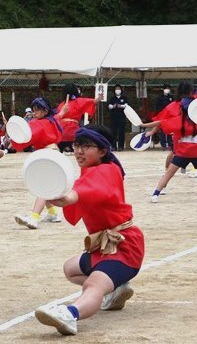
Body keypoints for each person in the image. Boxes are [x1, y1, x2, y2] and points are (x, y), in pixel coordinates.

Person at [34, 125, 144, 336]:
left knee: (94, 285)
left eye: (86, 146)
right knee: (71, 269)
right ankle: (115, 287)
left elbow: (78, 195)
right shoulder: (91, 171)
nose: (78, 151)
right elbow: (76, 197)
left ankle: (70, 314)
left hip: (124, 246)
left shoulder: (106, 170)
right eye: (76, 145)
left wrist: (62, 196)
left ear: (102, 151)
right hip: (102, 246)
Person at [139, 85, 197, 204]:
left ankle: (155, 194)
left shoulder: (179, 120)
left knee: (169, 173)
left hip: (183, 152)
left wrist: (142, 125)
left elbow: (160, 122)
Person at [13, 97, 65, 229]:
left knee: (43, 186)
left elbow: (26, 137)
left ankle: (34, 217)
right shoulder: (51, 121)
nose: (34, 112)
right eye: (34, 109)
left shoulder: (39, 123)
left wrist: (14, 132)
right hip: (53, 153)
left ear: (45, 110)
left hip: (47, 155)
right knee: (44, 184)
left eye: (37, 110)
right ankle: (53, 213)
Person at [57, 84, 101, 154]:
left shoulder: (61, 105)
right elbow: (91, 102)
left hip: (62, 131)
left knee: (59, 151)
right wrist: (97, 99)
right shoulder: (78, 101)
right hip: (73, 131)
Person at [107, 84, 128, 151]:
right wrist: (113, 106)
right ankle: (113, 146)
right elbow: (109, 106)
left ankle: (120, 146)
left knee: (121, 132)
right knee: (113, 132)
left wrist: (120, 106)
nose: (117, 90)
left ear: (121, 90)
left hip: (121, 117)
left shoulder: (124, 98)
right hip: (113, 117)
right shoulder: (112, 98)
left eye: (119, 89)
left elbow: (126, 105)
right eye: (116, 89)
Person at [155, 84, 174, 150]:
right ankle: (163, 145)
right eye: (166, 88)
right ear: (163, 89)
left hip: (169, 116)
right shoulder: (159, 97)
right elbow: (157, 107)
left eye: (169, 88)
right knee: (162, 130)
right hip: (162, 116)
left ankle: (169, 144)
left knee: (169, 130)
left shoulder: (171, 97)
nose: (167, 90)